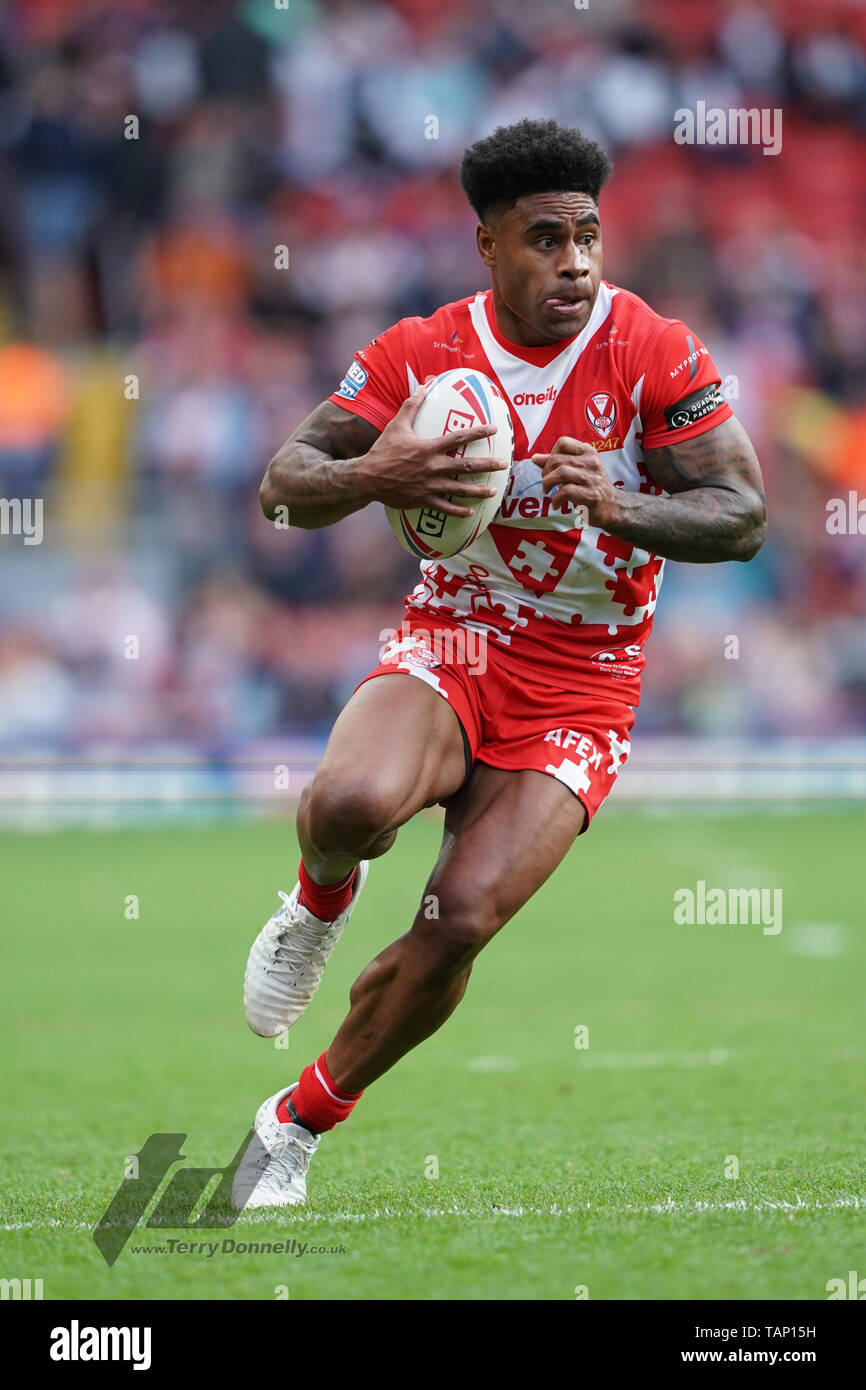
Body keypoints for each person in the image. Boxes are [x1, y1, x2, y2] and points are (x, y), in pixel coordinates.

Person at [232, 118, 767, 1209]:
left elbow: (743, 514)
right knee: (351, 797)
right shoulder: (424, 351)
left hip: (584, 676)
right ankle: (315, 902)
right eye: (543, 240)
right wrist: (381, 470)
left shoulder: (650, 347)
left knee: (460, 917)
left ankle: (294, 1121)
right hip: (457, 636)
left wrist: (619, 501)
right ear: (487, 247)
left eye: (586, 236)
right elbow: (282, 483)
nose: (572, 261)